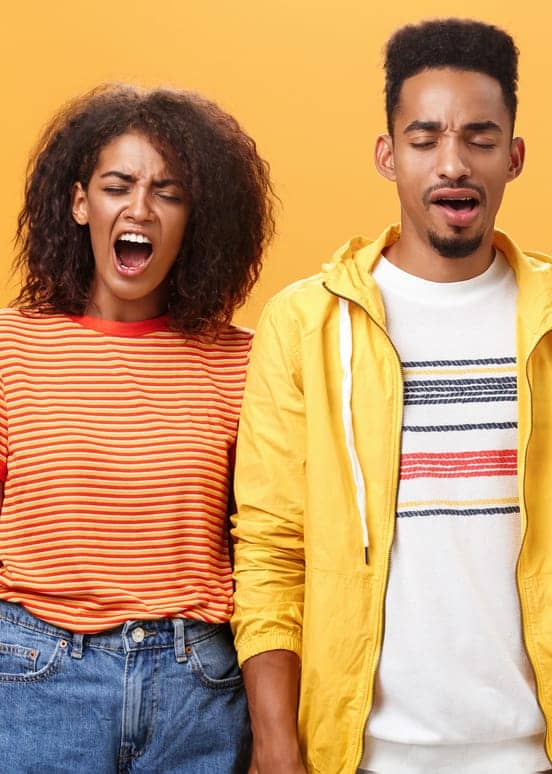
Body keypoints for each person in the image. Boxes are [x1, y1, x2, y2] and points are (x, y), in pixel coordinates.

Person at [232, 18, 552, 774]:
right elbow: (271, 550)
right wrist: (278, 748)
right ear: (387, 155)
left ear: (514, 155)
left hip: (542, 755)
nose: (452, 164)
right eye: (425, 137)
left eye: (479, 137)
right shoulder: (305, 323)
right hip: (363, 756)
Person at [0, 84, 275, 773]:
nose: (141, 209)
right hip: (37, 678)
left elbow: (273, 547)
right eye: (118, 185)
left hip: (198, 688)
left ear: (195, 219)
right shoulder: (10, 347)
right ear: (79, 203)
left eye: (169, 193)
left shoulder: (244, 360)